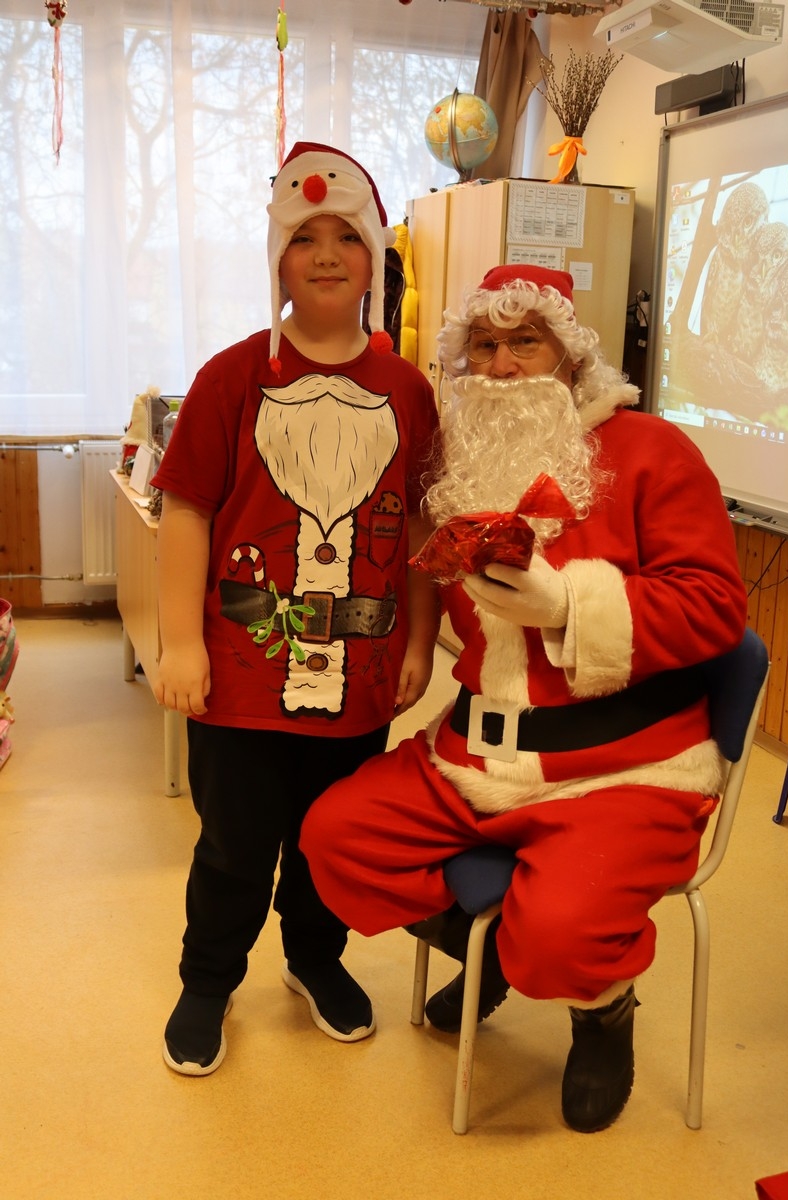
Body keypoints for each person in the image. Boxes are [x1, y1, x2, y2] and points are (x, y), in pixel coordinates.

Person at [300, 264, 748, 1132]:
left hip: (623, 770)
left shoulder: (654, 451)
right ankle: (502, 948)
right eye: (484, 345)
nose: (501, 366)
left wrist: (569, 604)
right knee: (335, 842)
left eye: (525, 343)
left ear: (570, 358)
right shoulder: (464, 457)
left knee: (560, 940)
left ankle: (600, 1006)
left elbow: (715, 607)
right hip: (476, 755)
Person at [151, 142, 440, 1076]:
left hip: (360, 680)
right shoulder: (232, 378)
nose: (325, 255)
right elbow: (187, 512)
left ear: (375, 256)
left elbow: (424, 526)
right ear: (277, 257)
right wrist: (180, 643)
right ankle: (208, 978)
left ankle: (315, 958)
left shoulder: (408, 391)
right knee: (235, 844)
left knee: (329, 838)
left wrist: (421, 640)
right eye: (304, 237)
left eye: (346, 237)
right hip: (237, 680)